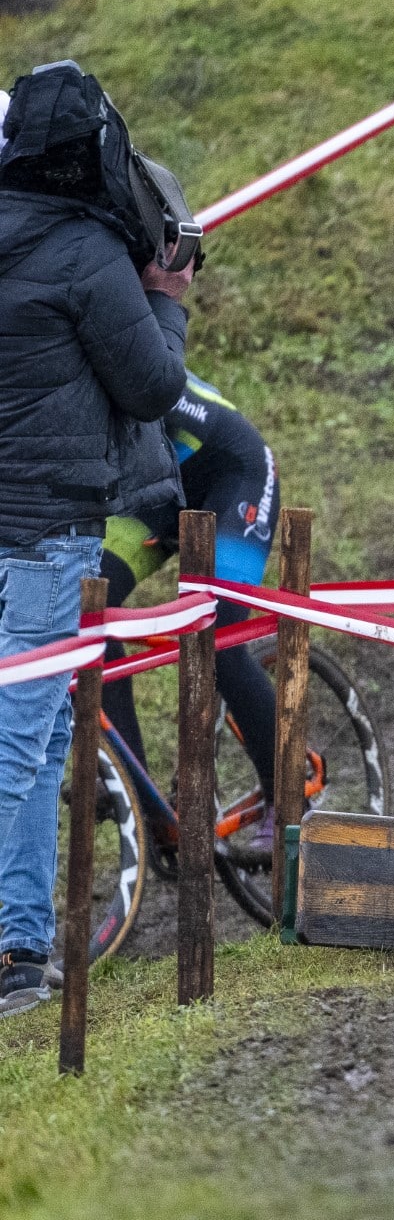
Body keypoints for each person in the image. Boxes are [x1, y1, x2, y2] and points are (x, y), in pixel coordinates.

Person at [0, 62, 189, 1017]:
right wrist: (166, 297)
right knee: (16, 741)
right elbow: (153, 388)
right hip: (48, 530)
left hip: (17, 525)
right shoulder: (84, 251)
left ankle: (21, 950)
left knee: (34, 743)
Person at [100, 371, 282, 857]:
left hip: (232, 473)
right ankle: (137, 793)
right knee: (89, 606)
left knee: (217, 638)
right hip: (154, 492)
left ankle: (286, 798)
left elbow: (166, 392)